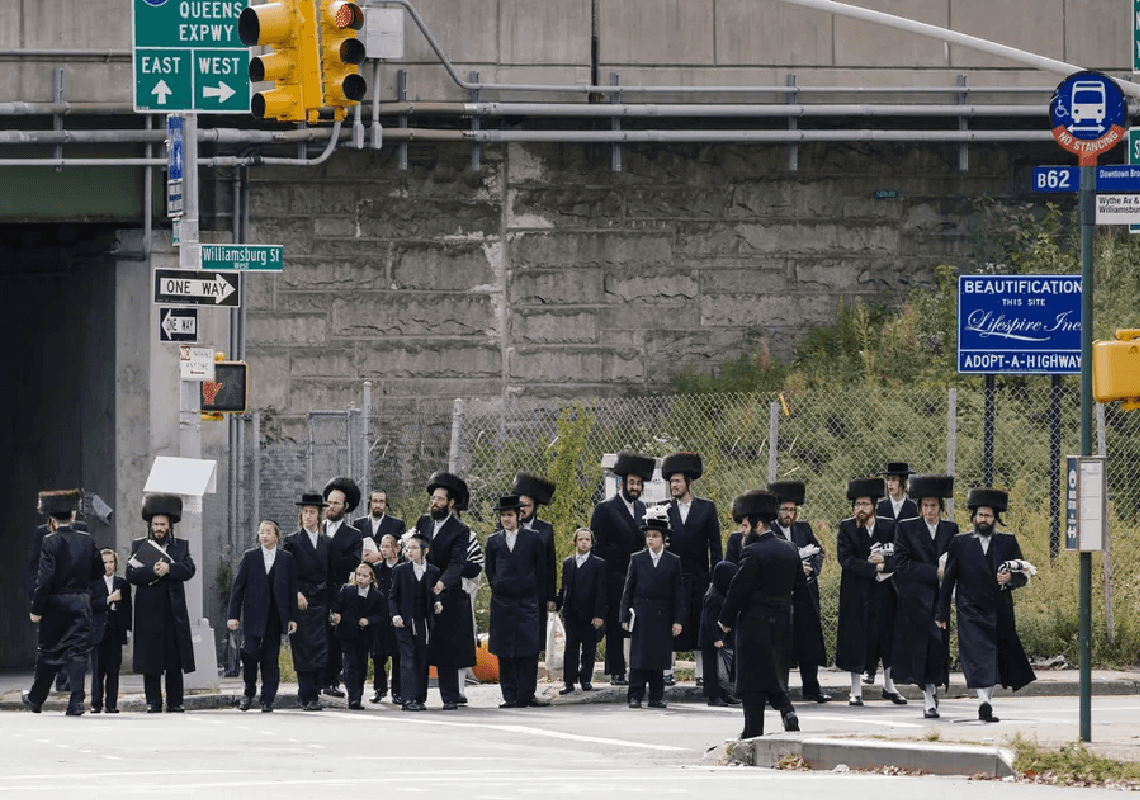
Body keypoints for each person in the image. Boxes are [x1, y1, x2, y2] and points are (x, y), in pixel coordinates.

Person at [937, 488, 1036, 723]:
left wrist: (1010, 579)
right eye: (980, 515)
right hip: (969, 610)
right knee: (978, 658)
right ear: (973, 517)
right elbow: (949, 579)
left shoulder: (1007, 542)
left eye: (988, 516)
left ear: (995, 519)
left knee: (994, 658)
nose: (984, 519)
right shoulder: (959, 543)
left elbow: (1022, 573)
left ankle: (987, 701)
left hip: (999, 609)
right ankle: (984, 702)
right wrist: (941, 612)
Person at [719, 490, 804, 738]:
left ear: (758, 525)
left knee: (751, 680)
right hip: (782, 623)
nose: (743, 532)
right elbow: (800, 589)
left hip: (754, 624)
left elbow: (739, 588)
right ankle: (787, 711)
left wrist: (725, 619)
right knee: (775, 673)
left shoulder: (753, 552)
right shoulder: (790, 549)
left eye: (745, 526)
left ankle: (752, 730)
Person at [23, 489, 104, 716]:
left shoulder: (50, 541)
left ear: (52, 520)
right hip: (81, 601)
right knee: (77, 652)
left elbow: (45, 578)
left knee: (48, 652)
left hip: (56, 603)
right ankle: (77, 701)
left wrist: (36, 608)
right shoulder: (87, 540)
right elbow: (97, 571)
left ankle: (37, 699)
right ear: (73, 517)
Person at [835, 478, 905, 706]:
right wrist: (872, 567)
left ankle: (889, 686)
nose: (861, 509)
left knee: (887, 638)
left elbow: (900, 556)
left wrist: (885, 563)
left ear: (874, 505)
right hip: (856, 594)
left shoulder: (889, 526)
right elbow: (844, 559)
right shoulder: (846, 527)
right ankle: (855, 691)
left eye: (865, 504)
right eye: (857, 504)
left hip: (884, 592)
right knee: (856, 641)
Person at [892, 474, 958, 719]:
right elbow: (902, 564)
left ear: (941, 508)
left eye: (934, 506)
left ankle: (932, 691)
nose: (930, 510)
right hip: (916, 600)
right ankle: (928, 694)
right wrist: (935, 572)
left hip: (940, 599)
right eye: (926, 506)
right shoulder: (906, 528)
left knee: (938, 647)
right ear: (920, 508)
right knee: (921, 649)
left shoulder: (951, 530)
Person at [127, 493, 196, 714]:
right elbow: (131, 574)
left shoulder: (181, 546)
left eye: (162, 524)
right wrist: (152, 570)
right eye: (155, 524)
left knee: (174, 659)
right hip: (148, 611)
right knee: (151, 659)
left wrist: (169, 569)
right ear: (150, 525)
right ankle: (153, 702)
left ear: (169, 525)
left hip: (173, 611)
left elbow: (189, 570)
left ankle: (175, 702)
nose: (158, 528)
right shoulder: (139, 545)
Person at [416, 471, 478, 710]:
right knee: (421, 645)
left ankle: (450, 696)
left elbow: (457, 563)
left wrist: (442, 583)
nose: (435, 503)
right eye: (433, 498)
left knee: (448, 646)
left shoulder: (460, 530)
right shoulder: (423, 523)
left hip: (448, 592)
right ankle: (415, 696)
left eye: (440, 499)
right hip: (423, 591)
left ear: (450, 503)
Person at [591, 451, 654, 686]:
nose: (635, 487)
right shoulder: (605, 509)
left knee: (638, 622)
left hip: (639, 575)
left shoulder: (644, 510)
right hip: (615, 574)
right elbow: (600, 546)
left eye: (638, 483)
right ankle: (616, 670)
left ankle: (638, 668)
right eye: (631, 482)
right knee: (617, 624)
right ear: (622, 483)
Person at [767, 480, 830, 703]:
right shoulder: (769, 530)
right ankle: (778, 690)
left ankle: (812, 688)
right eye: (785, 509)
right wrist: (794, 569)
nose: (789, 514)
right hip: (782, 596)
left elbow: (817, 554)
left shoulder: (803, 528)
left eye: (792, 509)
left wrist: (810, 570)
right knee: (779, 646)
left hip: (805, 594)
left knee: (808, 643)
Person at [226, 520, 299, 712]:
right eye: (261, 532)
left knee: (270, 658)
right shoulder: (250, 557)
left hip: (275, 616)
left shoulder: (286, 558)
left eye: (268, 532)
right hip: (253, 615)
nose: (264, 535)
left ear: (277, 536)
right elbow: (238, 588)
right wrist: (233, 616)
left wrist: (293, 618)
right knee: (249, 653)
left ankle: (268, 698)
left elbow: (292, 590)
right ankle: (248, 691)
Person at [662, 452, 721, 686]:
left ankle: (701, 673)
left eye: (678, 481)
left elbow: (715, 547)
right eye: (671, 481)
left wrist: (714, 580)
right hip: (674, 577)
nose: (674, 486)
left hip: (700, 577)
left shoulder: (707, 509)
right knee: (672, 622)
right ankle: (667, 671)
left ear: (690, 483)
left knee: (700, 623)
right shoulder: (664, 511)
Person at [485, 494, 547, 709]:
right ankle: (509, 695)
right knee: (505, 650)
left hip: (527, 600)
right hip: (502, 601)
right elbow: (490, 570)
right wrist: (499, 585)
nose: (506, 519)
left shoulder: (533, 538)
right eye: (503, 515)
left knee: (528, 649)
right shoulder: (493, 541)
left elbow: (541, 569)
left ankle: (527, 694)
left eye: (510, 515)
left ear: (519, 515)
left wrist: (533, 591)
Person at [621, 513, 684, 709]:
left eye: (655, 536)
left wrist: (678, 619)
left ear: (663, 538)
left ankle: (656, 696)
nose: (651, 539)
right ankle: (635, 695)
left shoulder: (673, 561)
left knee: (658, 657)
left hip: (662, 613)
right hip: (641, 612)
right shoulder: (637, 558)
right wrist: (624, 615)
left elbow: (678, 592)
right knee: (638, 657)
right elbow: (628, 588)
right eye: (648, 536)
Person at [282, 491, 336, 711]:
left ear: (319, 515)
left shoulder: (327, 543)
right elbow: (286, 573)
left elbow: (332, 576)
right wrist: (295, 593)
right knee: (303, 649)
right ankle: (306, 694)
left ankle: (312, 694)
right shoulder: (292, 541)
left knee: (320, 648)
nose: (308, 516)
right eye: (305, 512)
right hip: (301, 601)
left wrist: (335, 606)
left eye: (312, 512)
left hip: (321, 601)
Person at [389, 532, 442, 711]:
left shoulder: (433, 571)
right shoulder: (401, 570)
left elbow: (436, 594)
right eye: (408, 547)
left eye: (414, 547)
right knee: (408, 659)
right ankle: (408, 699)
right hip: (404, 622)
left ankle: (420, 698)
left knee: (421, 658)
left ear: (425, 550)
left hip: (423, 622)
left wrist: (437, 603)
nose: (409, 551)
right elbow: (393, 596)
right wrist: (395, 614)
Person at [322, 476, 363, 698]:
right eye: (329, 502)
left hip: (338, 591)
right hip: (315, 590)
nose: (331, 507)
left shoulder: (353, 535)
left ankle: (332, 681)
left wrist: (327, 551)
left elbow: (352, 562)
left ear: (345, 506)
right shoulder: (316, 529)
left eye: (336, 503)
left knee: (335, 638)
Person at [513, 473, 558, 673]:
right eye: (520, 505)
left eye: (527, 505)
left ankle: (529, 687)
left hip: (537, 593)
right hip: (514, 594)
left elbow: (551, 565)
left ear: (535, 507)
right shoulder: (508, 528)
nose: (523, 510)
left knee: (534, 641)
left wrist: (550, 597)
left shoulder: (545, 530)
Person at [557, 527, 607, 694]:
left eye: (587, 540)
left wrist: (599, 615)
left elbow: (602, 591)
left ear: (592, 543)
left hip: (590, 614)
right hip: (571, 613)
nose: (584, 542)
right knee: (570, 648)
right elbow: (564, 588)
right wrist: (556, 605)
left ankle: (585, 678)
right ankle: (568, 681)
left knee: (589, 648)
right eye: (581, 539)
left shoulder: (599, 564)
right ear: (575, 542)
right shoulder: (568, 563)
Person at [333, 563, 385, 709]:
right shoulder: (347, 590)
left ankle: (358, 694)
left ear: (371, 578)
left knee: (362, 665)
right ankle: (353, 697)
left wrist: (369, 621)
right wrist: (336, 616)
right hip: (348, 633)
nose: (361, 578)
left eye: (364, 575)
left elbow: (382, 617)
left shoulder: (377, 596)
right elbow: (338, 607)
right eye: (359, 575)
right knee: (351, 664)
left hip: (366, 635)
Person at [91, 548, 132, 714]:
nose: (108, 566)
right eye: (104, 562)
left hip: (115, 630)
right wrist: (108, 599)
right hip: (98, 631)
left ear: (115, 563)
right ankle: (96, 703)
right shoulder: (93, 583)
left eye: (110, 562)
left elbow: (128, 608)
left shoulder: (123, 583)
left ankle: (111, 704)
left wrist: (127, 630)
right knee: (97, 670)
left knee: (114, 669)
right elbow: (91, 604)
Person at [699, 560, 739, 707]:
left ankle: (725, 694)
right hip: (710, 640)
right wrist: (716, 637)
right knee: (712, 670)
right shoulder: (713, 597)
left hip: (718, 638)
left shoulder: (719, 593)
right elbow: (709, 620)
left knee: (722, 670)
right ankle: (713, 696)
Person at [369, 534, 401, 704]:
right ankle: (379, 689)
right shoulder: (376, 568)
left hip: (396, 615)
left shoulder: (403, 567)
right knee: (378, 656)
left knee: (397, 656)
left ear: (397, 548)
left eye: (388, 546)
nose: (384, 549)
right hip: (380, 616)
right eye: (382, 546)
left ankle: (398, 691)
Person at [355, 489, 407, 563]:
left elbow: (402, 551)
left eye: (381, 501)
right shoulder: (358, 524)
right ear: (370, 503)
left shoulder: (397, 524)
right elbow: (353, 548)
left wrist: (380, 555)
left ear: (385, 505)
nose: (378, 505)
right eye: (375, 501)